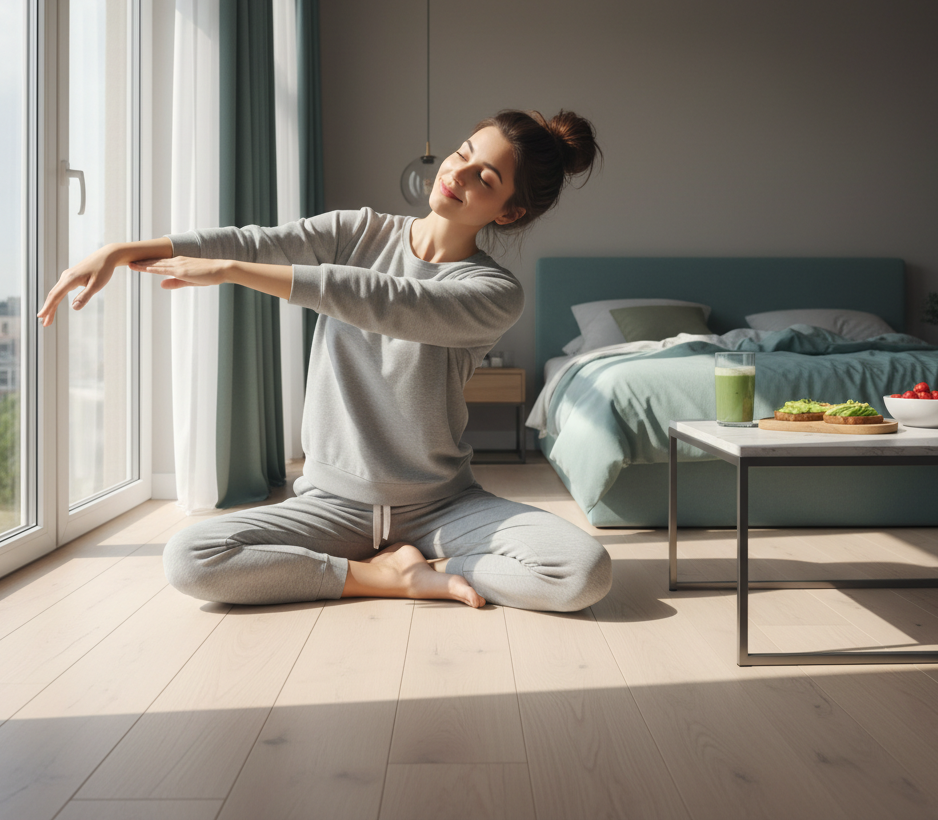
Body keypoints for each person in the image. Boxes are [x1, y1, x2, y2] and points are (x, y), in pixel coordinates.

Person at [38, 110, 612, 612]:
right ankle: (388, 579)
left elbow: (386, 301)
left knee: (582, 572)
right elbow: (251, 242)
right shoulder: (357, 232)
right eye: (463, 153)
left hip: (440, 506)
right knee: (191, 557)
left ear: (508, 213)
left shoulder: (493, 292)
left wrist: (233, 274)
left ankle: (429, 568)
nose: (457, 174)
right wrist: (121, 250)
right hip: (331, 505)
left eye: (484, 178)